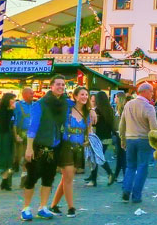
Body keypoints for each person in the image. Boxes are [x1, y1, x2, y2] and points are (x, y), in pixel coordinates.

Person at [21, 75, 69, 221]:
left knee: (49, 178)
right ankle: (26, 208)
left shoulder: (65, 104)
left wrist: (91, 111)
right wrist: (29, 148)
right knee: (32, 177)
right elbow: (32, 127)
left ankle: (43, 207)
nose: (61, 87)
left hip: (55, 146)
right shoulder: (41, 104)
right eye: (58, 84)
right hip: (39, 146)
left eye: (63, 84)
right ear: (52, 86)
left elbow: (80, 105)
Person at [49, 87, 91, 218]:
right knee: (68, 178)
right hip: (66, 146)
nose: (85, 97)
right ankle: (71, 208)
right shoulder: (68, 109)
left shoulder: (87, 113)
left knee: (67, 178)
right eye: (82, 94)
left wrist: (88, 140)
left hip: (79, 147)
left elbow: (89, 130)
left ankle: (53, 206)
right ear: (76, 96)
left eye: (86, 94)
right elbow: (62, 100)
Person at [119, 82, 157, 204]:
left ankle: (126, 190)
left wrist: (122, 138)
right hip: (143, 140)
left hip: (130, 139)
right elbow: (154, 127)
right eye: (151, 91)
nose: (152, 94)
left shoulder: (128, 104)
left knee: (130, 166)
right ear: (145, 91)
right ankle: (136, 195)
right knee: (142, 167)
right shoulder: (149, 107)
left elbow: (122, 124)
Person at [85, 91, 116, 186]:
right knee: (97, 157)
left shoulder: (97, 111)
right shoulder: (110, 110)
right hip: (107, 137)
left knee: (97, 158)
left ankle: (108, 174)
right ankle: (93, 178)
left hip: (97, 137)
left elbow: (94, 124)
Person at [13, 88, 34, 188]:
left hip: (32, 135)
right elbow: (14, 121)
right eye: (31, 93)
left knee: (27, 158)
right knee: (17, 157)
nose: (33, 95)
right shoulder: (17, 105)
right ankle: (7, 178)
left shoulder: (35, 105)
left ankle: (25, 180)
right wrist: (15, 135)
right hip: (20, 134)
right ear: (24, 94)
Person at [112, 93, 128, 182]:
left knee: (122, 156)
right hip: (118, 134)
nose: (114, 98)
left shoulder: (123, 109)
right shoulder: (117, 108)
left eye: (116, 97)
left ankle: (125, 176)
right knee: (120, 156)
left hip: (122, 135)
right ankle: (116, 175)